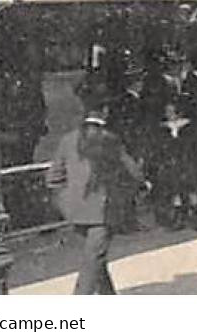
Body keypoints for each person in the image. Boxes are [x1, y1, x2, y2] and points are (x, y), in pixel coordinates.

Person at [45, 101, 143, 295]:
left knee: (95, 256)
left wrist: (66, 202)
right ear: (105, 114)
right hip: (103, 211)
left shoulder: (67, 140)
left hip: (75, 211)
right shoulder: (110, 140)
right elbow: (134, 174)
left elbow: (53, 178)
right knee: (93, 259)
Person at [147, 98, 197, 228]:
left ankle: (195, 216)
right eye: (167, 111)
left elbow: (191, 144)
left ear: (179, 113)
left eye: (171, 111)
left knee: (190, 188)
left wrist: (176, 134)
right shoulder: (162, 128)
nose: (168, 114)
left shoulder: (189, 126)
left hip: (186, 160)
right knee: (175, 188)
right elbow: (160, 145)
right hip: (171, 161)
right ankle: (178, 216)